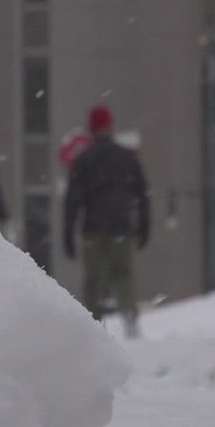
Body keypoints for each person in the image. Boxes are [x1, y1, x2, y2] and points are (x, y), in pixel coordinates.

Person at [63, 104, 150, 338]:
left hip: (93, 227)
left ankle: (92, 326)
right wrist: (144, 225)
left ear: (91, 129)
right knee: (123, 274)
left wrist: (68, 232)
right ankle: (130, 318)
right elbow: (142, 194)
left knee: (94, 279)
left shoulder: (84, 160)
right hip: (122, 225)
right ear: (110, 127)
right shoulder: (127, 157)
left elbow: (73, 200)